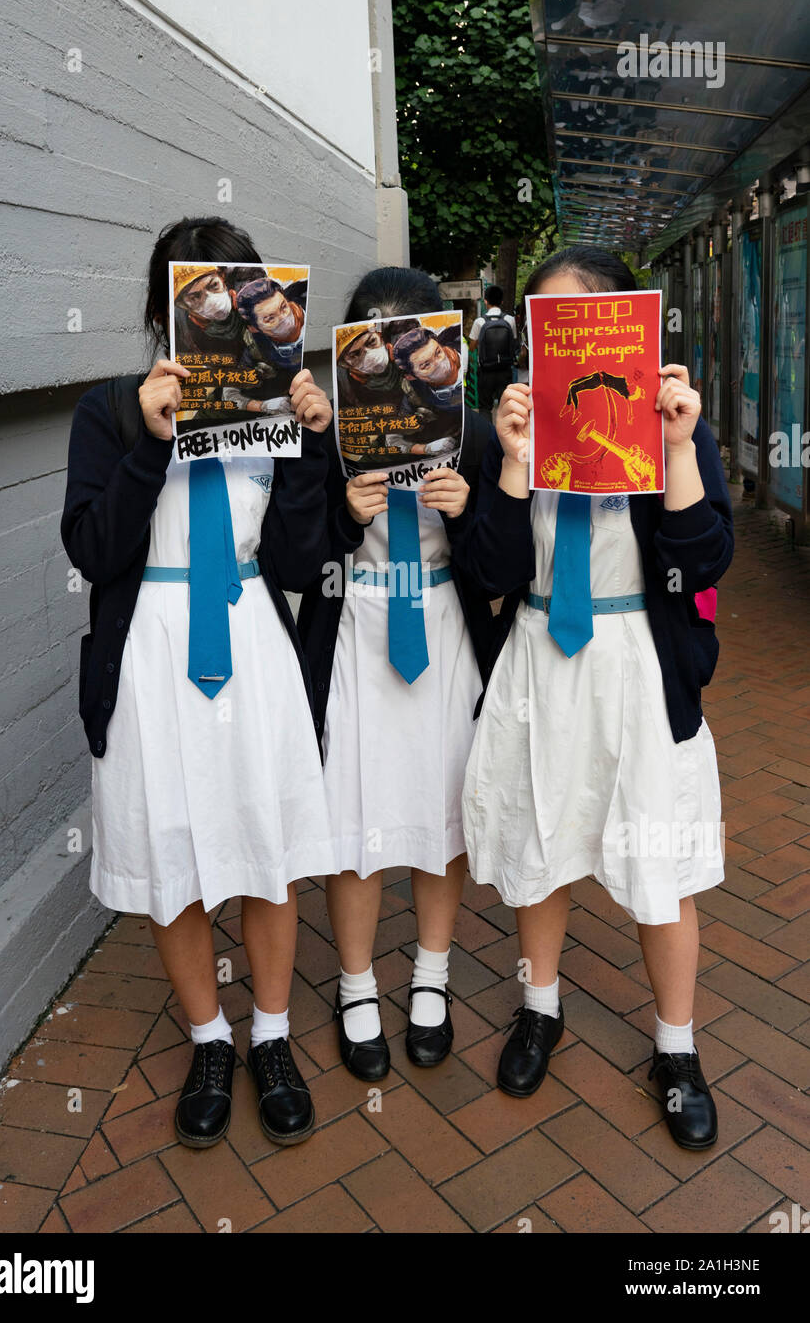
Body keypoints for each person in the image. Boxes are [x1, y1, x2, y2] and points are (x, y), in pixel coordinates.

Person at [61, 216, 340, 1153]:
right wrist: (149, 440)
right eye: (202, 291)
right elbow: (95, 549)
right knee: (170, 852)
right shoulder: (110, 408)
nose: (224, 305)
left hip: (253, 642)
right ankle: (208, 1039)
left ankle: (270, 1035)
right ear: (164, 307)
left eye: (242, 289)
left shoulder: (274, 410)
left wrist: (309, 446)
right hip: (149, 649)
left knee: (263, 845)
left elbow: (301, 562)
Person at [454, 245, 733, 1152]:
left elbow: (702, 559)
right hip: (540, 652)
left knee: (656, 861)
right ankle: (539, 1008)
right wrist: (509, 460)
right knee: (541, 838)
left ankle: (677, 1048)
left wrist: (681, 445)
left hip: (636, 663)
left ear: (628, 326)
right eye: (546, 327)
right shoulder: (521, 430)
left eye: (581, 320)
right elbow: (489, 572)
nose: (561, 344)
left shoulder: (668, 424)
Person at [297, 266, 497, 1079]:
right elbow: (298, 554)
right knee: (356, 813)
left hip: (444, 623)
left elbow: (500, 564)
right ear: (352, 353)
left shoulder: (475, 434)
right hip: (356, 625)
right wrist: (344, 513)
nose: (393, 358)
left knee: (441, 805)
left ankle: (430, 977)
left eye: (408, 336)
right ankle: (352, 986)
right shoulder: (324, 434)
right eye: (372, 338)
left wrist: (468, 509)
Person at [469, 285, 517, 416]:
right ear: (501, 301)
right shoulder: (510, 320)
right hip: (505, 369)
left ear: (485, 301)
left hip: (485, 371)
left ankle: (488, 435)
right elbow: (513, 341)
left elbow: (472, 346)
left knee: (485, 407)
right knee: (505, 405)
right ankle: (506, 435)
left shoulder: (479, 322)